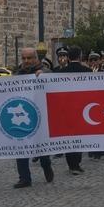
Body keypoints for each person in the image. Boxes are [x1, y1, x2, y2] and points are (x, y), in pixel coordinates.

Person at [13, 48, 54, 188]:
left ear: (36, 58)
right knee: (21, 146)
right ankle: (24, 178)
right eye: (24, 58)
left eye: (29, 58)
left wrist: (44, 75)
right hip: (22, 115)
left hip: (41, 115)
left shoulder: (44, 71)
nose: (26, 61)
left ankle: (46, 166)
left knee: (41, 146)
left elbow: (54, 79)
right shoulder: (17, 74)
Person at [54, 46, 90, 174]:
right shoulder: (87, 71)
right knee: (79, 136)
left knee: (69, 136)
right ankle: (77, 163)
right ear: (80, 56)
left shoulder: (60, 72)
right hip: (82, 108)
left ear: (68, 57)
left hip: (66, 108)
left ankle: (72, 165)